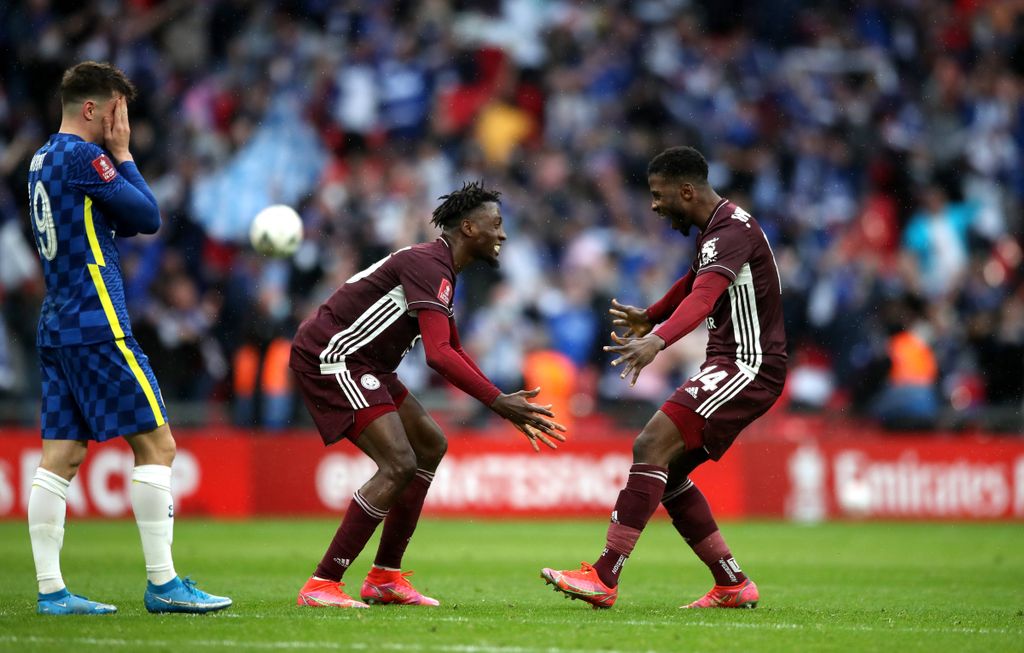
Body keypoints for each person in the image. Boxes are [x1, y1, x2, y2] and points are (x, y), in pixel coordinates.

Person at [289, 181, 567, 609]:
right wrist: (497, 401)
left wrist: (502, 401)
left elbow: (452, 348)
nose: (503, 234)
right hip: (333, 356)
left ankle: (385, 577)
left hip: (368, 365)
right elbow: (438, 356)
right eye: (496, 224)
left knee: (429, 445)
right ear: (470, 228)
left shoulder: (440, 270)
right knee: (398, 462)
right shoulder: (428, 264)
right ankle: (323, 582)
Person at [25, 61, 231, 615]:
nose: (124, 122)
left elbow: (120, 222)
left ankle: (51, 592)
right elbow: (148, 214)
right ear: (91, 110)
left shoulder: (41, 159)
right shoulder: (82, 156)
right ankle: (163, 584)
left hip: (57, 322)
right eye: (118, 111)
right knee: (158, 445)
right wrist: (124, 154)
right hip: (96, 318)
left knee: (61, 457)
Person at [540, 146, 787, 609]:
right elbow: (692, 282)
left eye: (658, 195)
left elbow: (702, 299)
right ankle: (732, 583)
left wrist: (657, 340)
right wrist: (650, 315)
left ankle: (605, 575)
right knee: (666, 473)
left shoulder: (729, 232)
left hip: (748, 365)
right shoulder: (719, 229)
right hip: (732, 363)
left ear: (686, 190)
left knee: (650, 445)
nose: (653, 205)